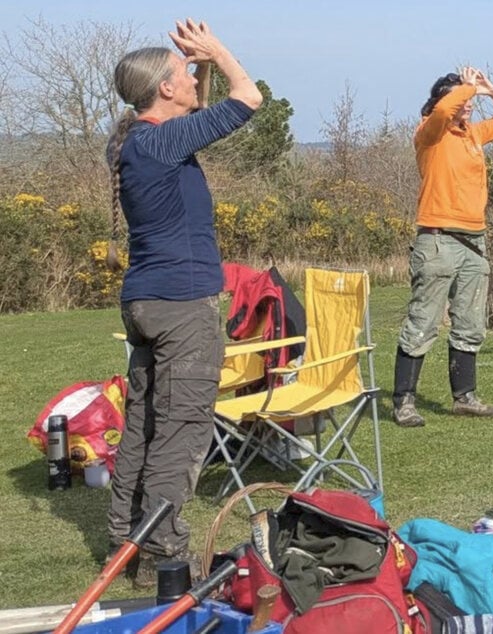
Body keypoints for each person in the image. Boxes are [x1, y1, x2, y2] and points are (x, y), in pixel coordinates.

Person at [104, 19, 262, 588]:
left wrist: (196, 64)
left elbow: (197, 111)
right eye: (183, 77)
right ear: (163, 91)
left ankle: (124, 542)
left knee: (145, 426)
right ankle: (164, 553)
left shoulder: (143, 142)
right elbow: (250, 98)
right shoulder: (160, 141)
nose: (193, 82)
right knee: (181, 432)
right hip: (182, 306)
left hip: (147, 302)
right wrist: (219, 51)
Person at [392, 66, 493, 427]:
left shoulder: (473, 134)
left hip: (474, 243)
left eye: (467, 98)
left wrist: (490, 89)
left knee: (469, 322)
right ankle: (404, 401)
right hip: (437, 241)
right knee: (423, 322)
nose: (467, 104)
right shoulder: (429, 133)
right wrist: (466, 88)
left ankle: (464, 397)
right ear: (438, 101)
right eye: (459, 96)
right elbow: (446, 111)